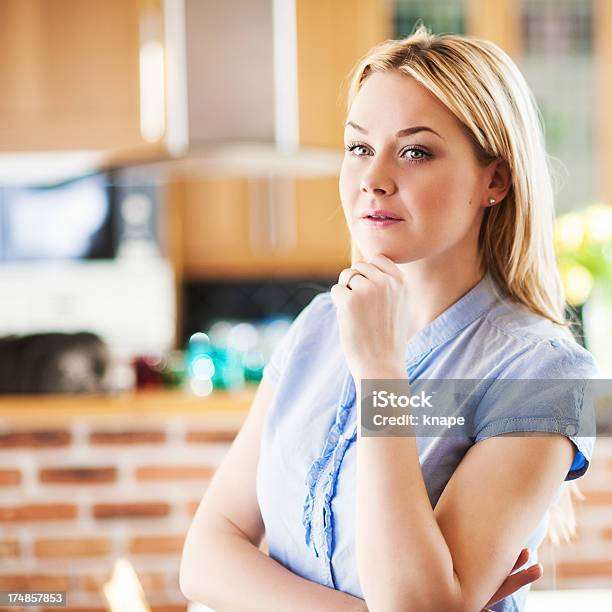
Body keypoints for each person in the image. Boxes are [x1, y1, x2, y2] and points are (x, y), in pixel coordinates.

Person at [180, 26, 596, 612]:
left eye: (415, 151)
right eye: (358, 148)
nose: (373, 178)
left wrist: (380, 372)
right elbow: (204, 556)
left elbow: (416, 606)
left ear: (494, 181)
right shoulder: (318, 327)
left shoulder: (546, 375)